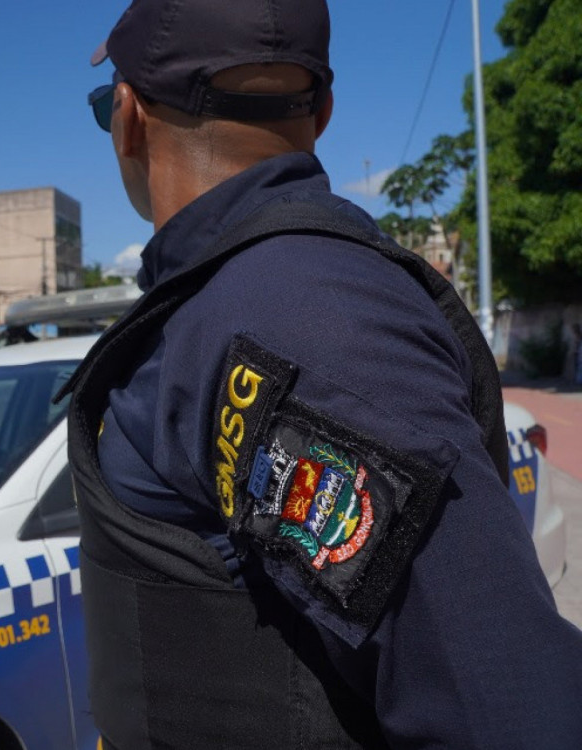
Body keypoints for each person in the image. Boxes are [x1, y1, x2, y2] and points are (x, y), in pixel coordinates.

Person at [60, 1, 582, 747]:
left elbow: (510, 709)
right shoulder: (235, 302)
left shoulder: (292, 315)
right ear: (324, 112)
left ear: (127, 117)